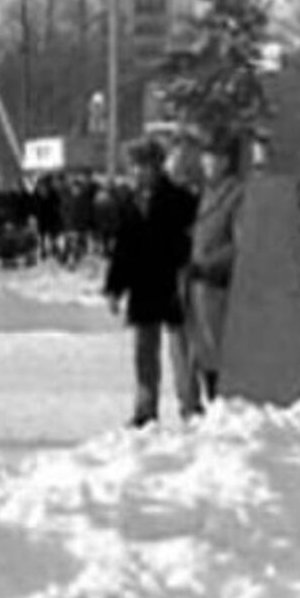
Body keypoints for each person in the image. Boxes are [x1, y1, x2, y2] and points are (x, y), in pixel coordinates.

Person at [104, 137, 200, 427]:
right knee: (145, 353)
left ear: (156, 167)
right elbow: (123, 249)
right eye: (133, 166)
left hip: (173, 282)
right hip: (143, 285)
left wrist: (189, 271)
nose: (136, 172)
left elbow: (194, 241)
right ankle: (146, 410)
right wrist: (114, 287)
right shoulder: (129, 202)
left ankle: (191, 406)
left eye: (141, 166)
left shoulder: (181, 200)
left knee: (181, 351)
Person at [185, 131, 243, 404]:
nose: (205, 163)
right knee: (203, 351)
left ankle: (223, 404)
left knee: (219, 351)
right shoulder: (208, 193)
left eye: (211, 157)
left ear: (225, 161)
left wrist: (208, 265)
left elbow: (240, 244)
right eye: (205, 157)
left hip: (219, 284)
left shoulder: (235, 194)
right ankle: (212, 404)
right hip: (199, 285)